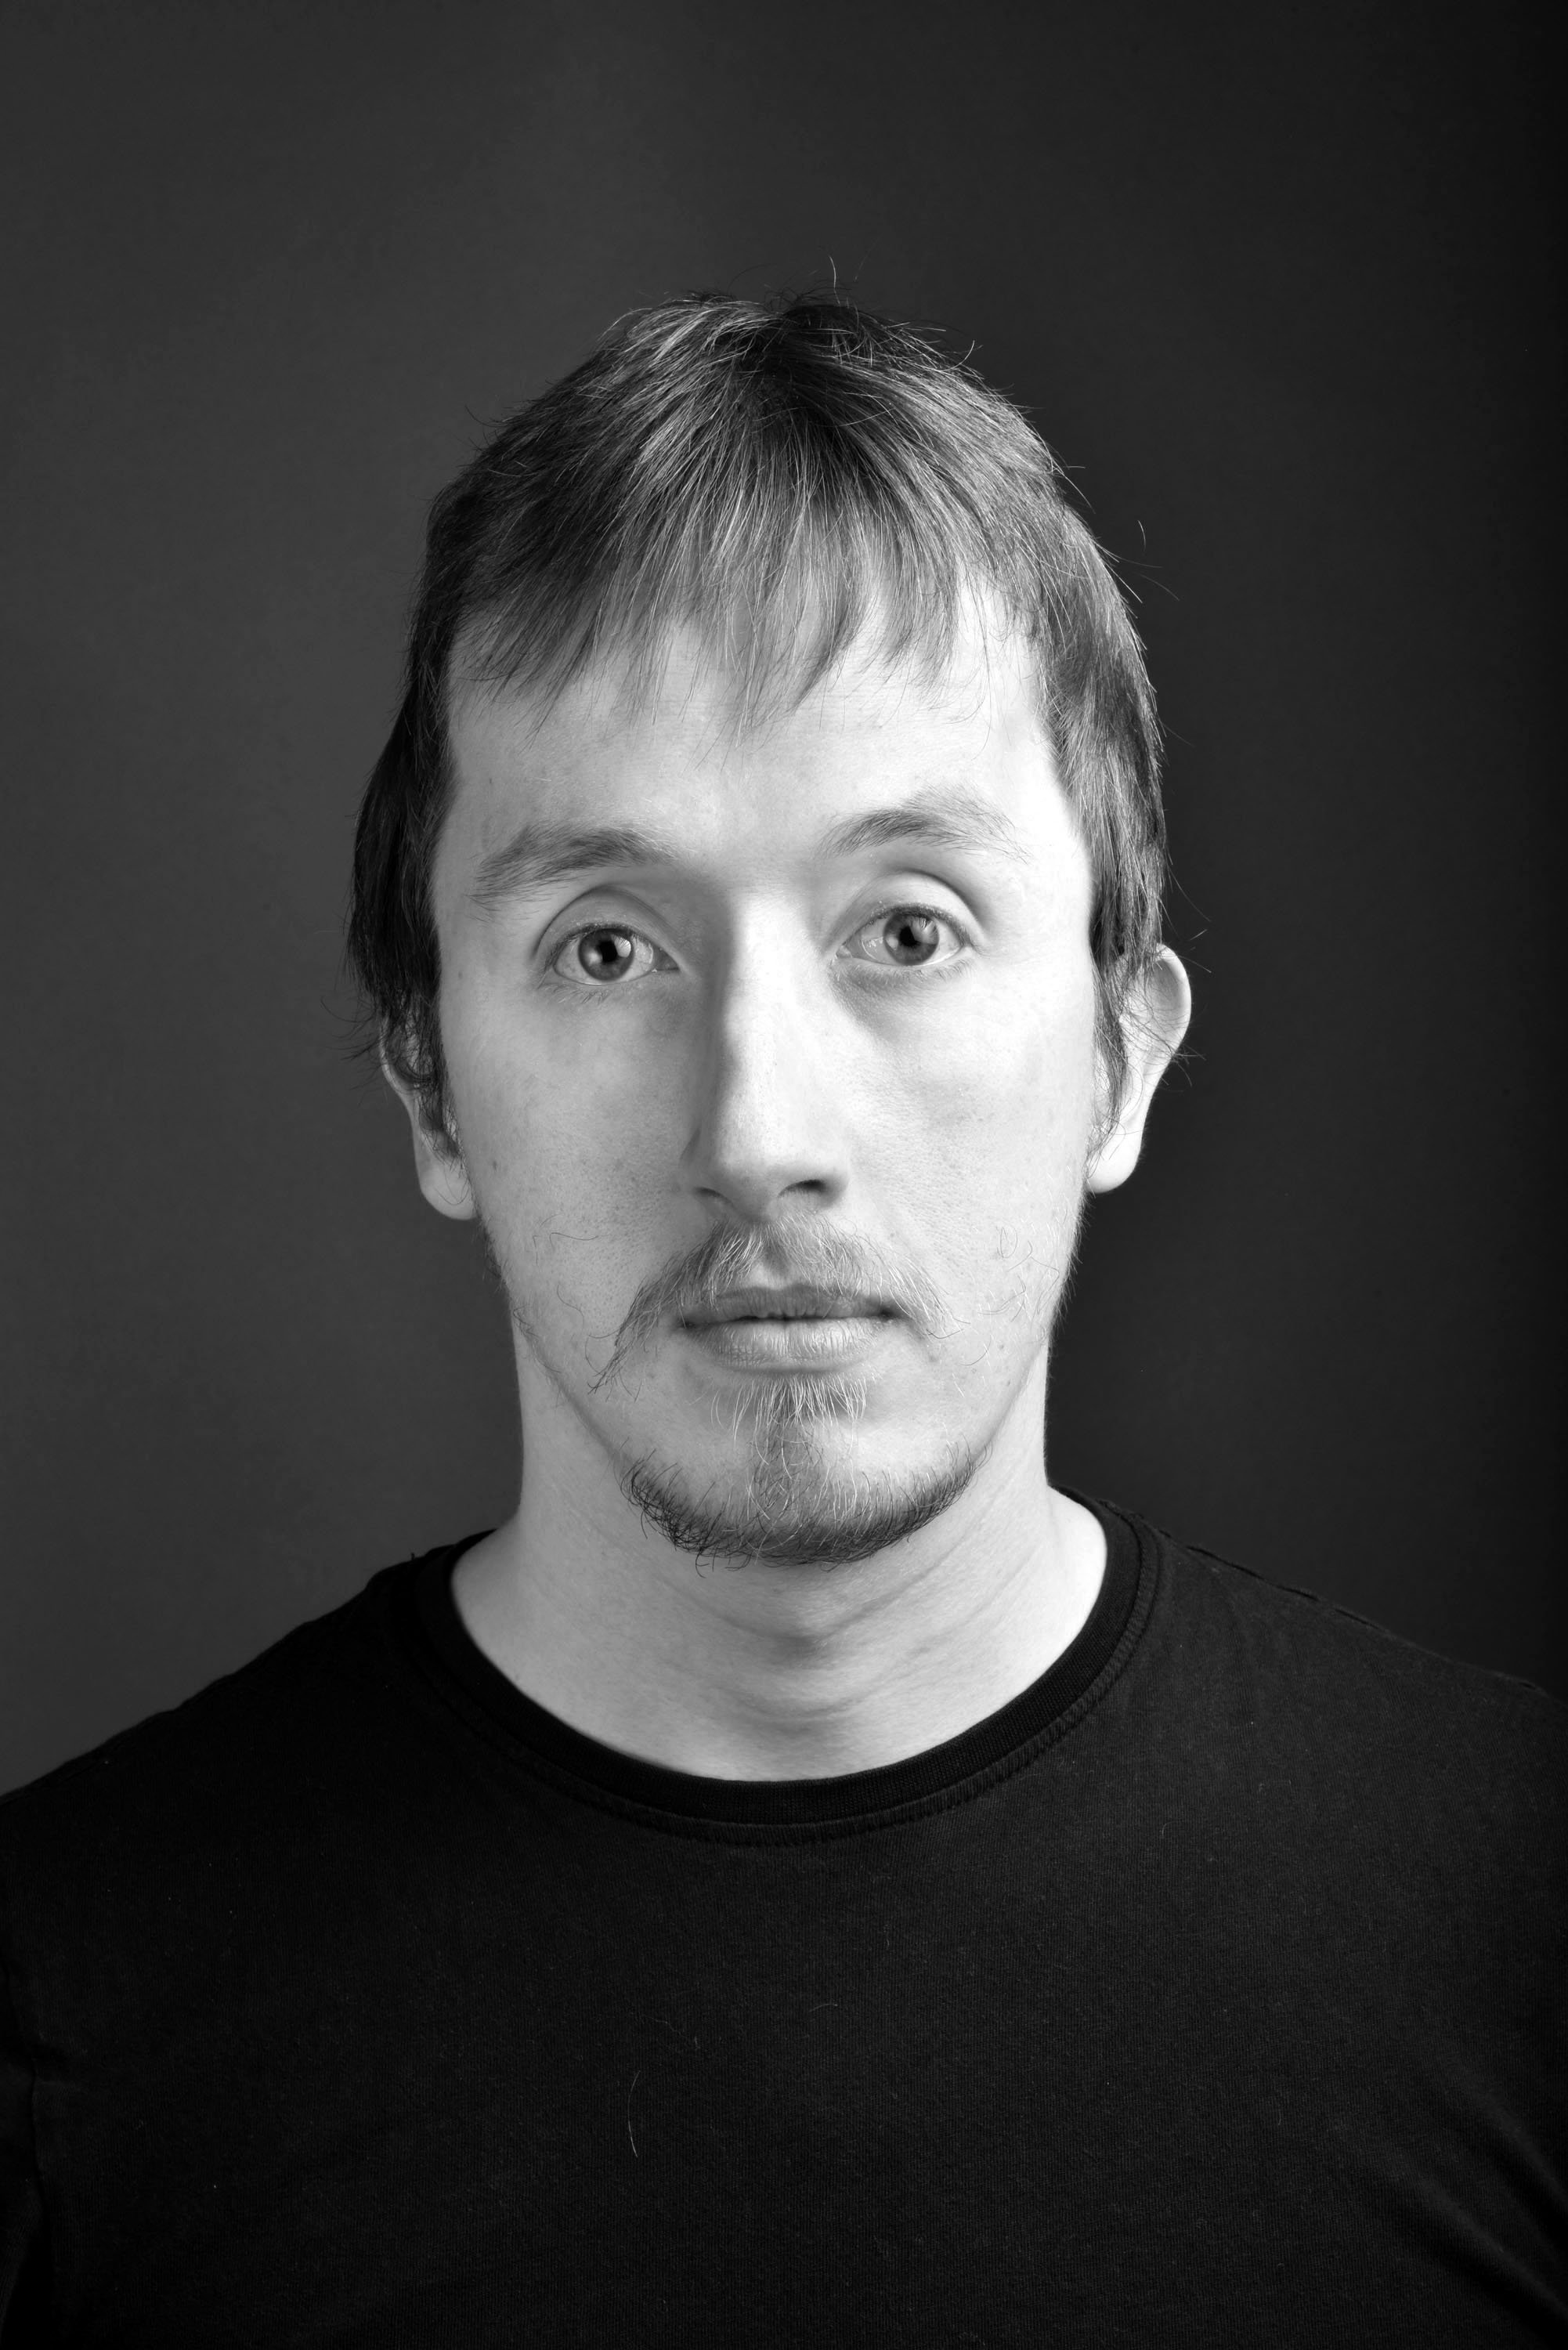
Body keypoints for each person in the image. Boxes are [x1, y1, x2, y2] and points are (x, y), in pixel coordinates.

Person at [1, 293, 1562, 2347]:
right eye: (607, 947)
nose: (759, 1136)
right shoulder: (54, 2026)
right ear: (430, 1087)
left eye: (906, 929)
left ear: (1118, 1058)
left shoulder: (1525, 1920)